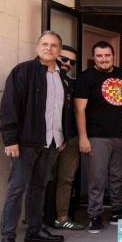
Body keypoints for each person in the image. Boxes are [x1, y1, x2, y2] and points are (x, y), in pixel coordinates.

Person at [0, 31, 68, 242]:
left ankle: (34, 230)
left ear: (59, 50)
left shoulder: (62, 77)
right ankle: (7, 238)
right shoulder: (23, 71)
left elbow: (61, 111)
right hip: (25, 142)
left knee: (39, 186)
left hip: (52, 142)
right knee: (16, 187)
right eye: (45, 44)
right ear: (38, 47)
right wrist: (10, 139)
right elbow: (9, 106)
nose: (49, 48)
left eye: (54, 45)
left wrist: (62, 136)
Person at [74, 41, 122, 233]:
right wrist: (83, 137)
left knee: (118, 176)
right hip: (97, 136)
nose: (103, 59)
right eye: (99, 56)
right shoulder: (86, 77)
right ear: (94, 57)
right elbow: (79, 110)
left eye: (107, 55)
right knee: (97, 178)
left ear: (113, 56)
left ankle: (116, 210)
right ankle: (95, 215)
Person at [45, 45, 84, 230]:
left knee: (66, 179)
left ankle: (62, 217)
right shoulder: (40, 78)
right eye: (64, 59)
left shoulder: (72, 83)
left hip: (70, 138)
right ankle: (39, 219)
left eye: (72, 61)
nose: (67, 64)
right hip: (46, 138)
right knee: (43, 178)